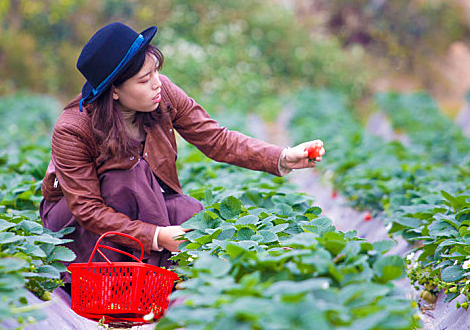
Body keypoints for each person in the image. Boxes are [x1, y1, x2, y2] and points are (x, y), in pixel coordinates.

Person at [39, 22, 325, 286]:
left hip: (136, 199)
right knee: (129, 178)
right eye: (144, 79)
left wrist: (283, 156)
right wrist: (156, 235)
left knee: (187, 213)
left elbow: (216, 138)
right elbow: (87, 209)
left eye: (156, 72)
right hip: (77, 221)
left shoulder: (163, 94)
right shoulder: (73, 129)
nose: (156, 84)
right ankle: (117, 282)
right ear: (114, 90)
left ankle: (157, 279)